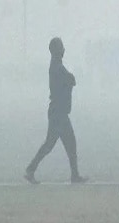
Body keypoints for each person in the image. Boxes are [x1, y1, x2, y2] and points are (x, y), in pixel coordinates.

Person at [25, 37, 87, 184]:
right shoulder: (57, 67)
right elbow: (70, 80)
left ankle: (32, 169)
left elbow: (70, 80)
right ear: (57, 50)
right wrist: (71, 79)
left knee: (56, 144)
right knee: (59, 144)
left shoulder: (57, 65)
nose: (63, 50)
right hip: (58, 113)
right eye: (61, 47)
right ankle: (32, 169)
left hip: (58, 112)